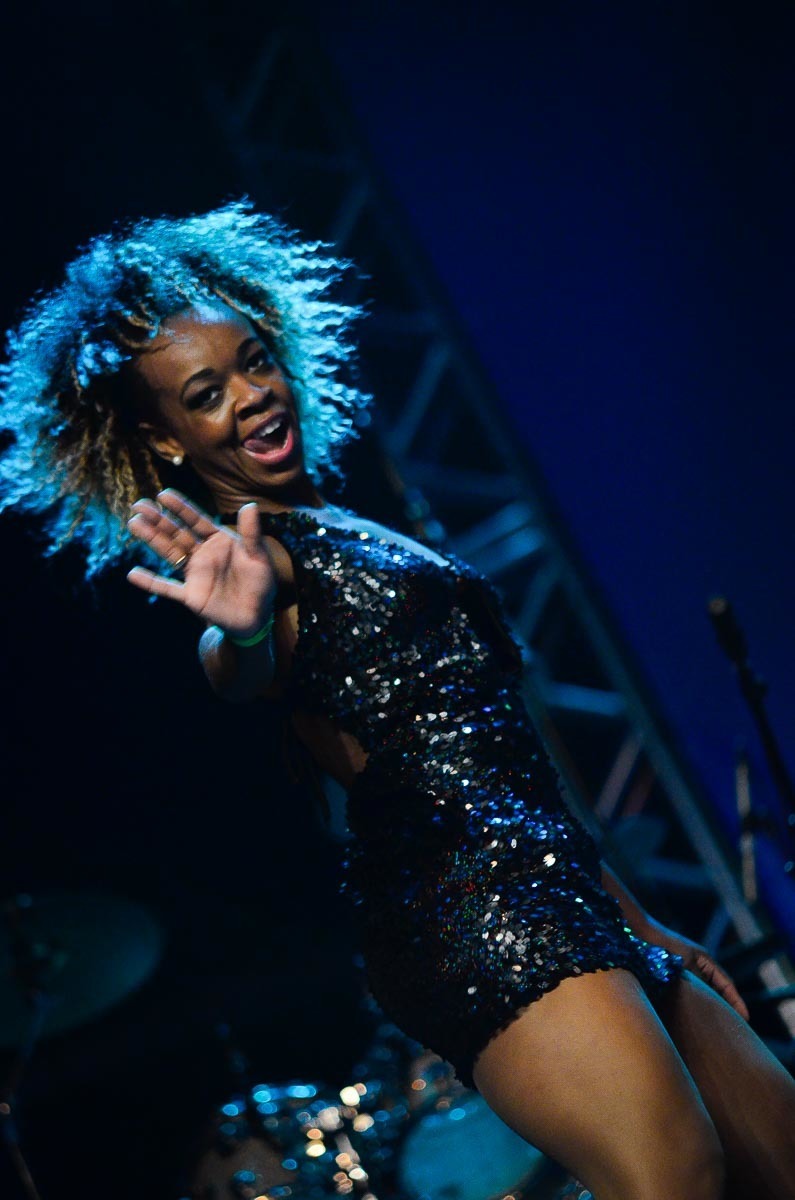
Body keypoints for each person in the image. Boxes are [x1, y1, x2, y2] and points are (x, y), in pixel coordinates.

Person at [2, 201, 794, 1200]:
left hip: (569, 887)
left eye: (254, 361)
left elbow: (511, 771)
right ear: (163, 438)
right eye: (206, 394)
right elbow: (241, 666)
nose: (252, 396)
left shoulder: (347, 524)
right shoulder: (263, 562)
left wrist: (638, 919)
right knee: (674, 1174)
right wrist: (239, 630)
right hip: (467, 909)